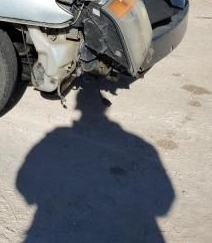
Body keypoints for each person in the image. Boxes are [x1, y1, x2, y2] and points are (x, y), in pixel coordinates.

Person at [16, 82, 174, 242]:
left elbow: (23, 180)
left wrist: (41, 201)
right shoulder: (141, 146)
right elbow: (165, 202)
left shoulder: (56, 136)